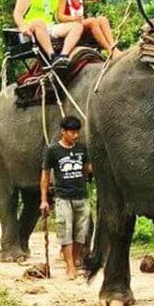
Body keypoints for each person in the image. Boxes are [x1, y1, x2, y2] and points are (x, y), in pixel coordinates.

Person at [40, 115, 92, 280]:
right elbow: (45, 175)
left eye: (77, 132)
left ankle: (73, 261)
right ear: (63, 132)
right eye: (72, 132)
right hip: (63, 197)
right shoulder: (53, 150)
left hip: (81, 196)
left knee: (81, 233)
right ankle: (70, 267)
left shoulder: (82, 149)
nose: (76, 135)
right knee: (66, 231)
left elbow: (86, 169)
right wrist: (44, 200)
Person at [13, 0, 84, 68]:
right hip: (32, 27)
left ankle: (63, 56)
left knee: (77, 26)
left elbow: (58, 18)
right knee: (39, 22)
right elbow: (17, 13)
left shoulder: (53, 0)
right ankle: (52, 56)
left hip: (49, 28)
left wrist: (75, 19)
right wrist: (22, 27)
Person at [57, 0, 124, 59]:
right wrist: (73, 18)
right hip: (70, 26)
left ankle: (113, 47)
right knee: (92, 21)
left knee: (102, 19)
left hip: (81, 24)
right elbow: (60, 16)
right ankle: (109, 50)